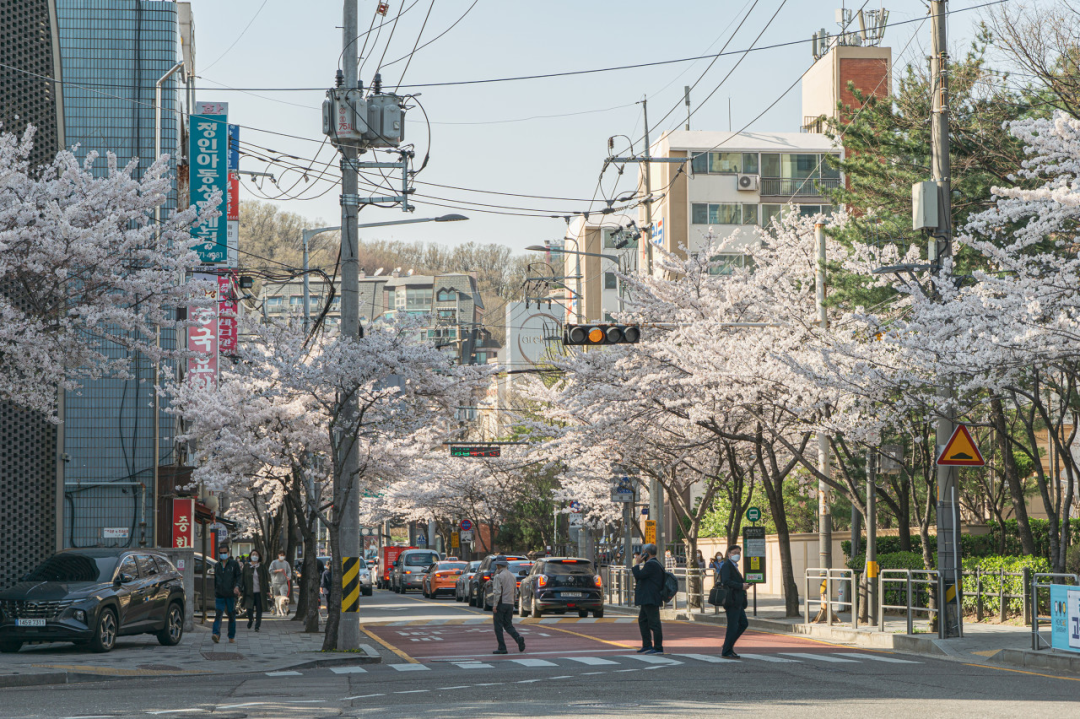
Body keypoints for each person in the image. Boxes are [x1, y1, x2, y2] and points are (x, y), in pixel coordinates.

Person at [719, 545, 752, 659]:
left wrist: (744, 583)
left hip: (738, 600)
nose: (737, 555)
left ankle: (728, 646)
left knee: (743, 623)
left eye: (738, 553)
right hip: (731, 600)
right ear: (729, 554)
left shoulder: (734, 566)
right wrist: (740, 586)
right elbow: (726, 581)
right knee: (733, 626)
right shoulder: (727, 566)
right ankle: (726, 650)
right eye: (734, 552)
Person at [632, 543, 664, 655]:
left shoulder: (652, 564)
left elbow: (639, 575)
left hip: (651, 598)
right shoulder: (653, 564)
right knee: (643, 621)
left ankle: (658, 647)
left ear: (647, 553)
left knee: (654, 623)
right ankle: (647, 645)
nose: (641, 555)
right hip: (648, 598)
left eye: (643, 552)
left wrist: (637, 564)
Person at [490, 556, 525, 655]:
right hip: (510, 603)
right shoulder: (512, 576)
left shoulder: (498, 576)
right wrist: (513, 602)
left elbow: (497, 592)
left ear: (498, 565)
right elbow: (515, 591)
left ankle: (502, 647)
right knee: (508, 625)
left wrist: (495, 605)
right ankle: (518, 638)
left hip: (501, 603)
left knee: (498, 627)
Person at [212, 542, 242, 644]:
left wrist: (237, 587)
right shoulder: (217, 565)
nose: (223, 554)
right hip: (219, 594)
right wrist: (216, 591)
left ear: (228, 553)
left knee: (231, 615)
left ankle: (231, 636)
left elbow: (239, 577)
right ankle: (216, 634)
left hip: (230, 594)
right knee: (218, 614)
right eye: (221, 553)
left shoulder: (234, 564)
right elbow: (216, 579)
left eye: (224, 552)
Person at [241, 550, 271, 632]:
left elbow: (265, 579)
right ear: (250, 556)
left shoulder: (262, 567)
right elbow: (242, 578)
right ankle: (250, 619)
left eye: (256, 554)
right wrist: (240, 588)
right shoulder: (246, 566)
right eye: (253, 554)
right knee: (249, 609)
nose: (254, 556)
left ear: (259, 556)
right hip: (249, 592)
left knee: (259, 610)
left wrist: (267, 590)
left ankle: (257, 626)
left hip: (259, 592)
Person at [269, 551, 292, 616]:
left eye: (283, 555)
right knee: (275, 597)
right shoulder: (274, 562)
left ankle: (285, 610)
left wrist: (288, 577)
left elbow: (289, 571)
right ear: (278, 555)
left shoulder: (286, 563)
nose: (282, 556)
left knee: (284, 597)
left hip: (283, 582)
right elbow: (270, 570)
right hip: (275, 582)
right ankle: (275, 609)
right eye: (281, 555)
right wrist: (278, 570)